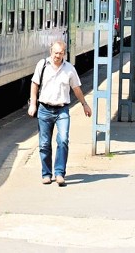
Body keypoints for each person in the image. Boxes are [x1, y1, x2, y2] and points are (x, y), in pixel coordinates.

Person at [27, 40, 92, 186]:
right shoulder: (42, 65)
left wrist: (84, 104)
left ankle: (59, 173)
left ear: (64, 54)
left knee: (63, 140)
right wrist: (33, 104)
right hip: (44, 109)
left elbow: (76, 89)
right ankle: (46, 174)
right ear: (51, 52)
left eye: (61, 53)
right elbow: (34, 84)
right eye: (56, 53)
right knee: (44, 144)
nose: (58, 56)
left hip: (62, 109)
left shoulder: (69, 69)